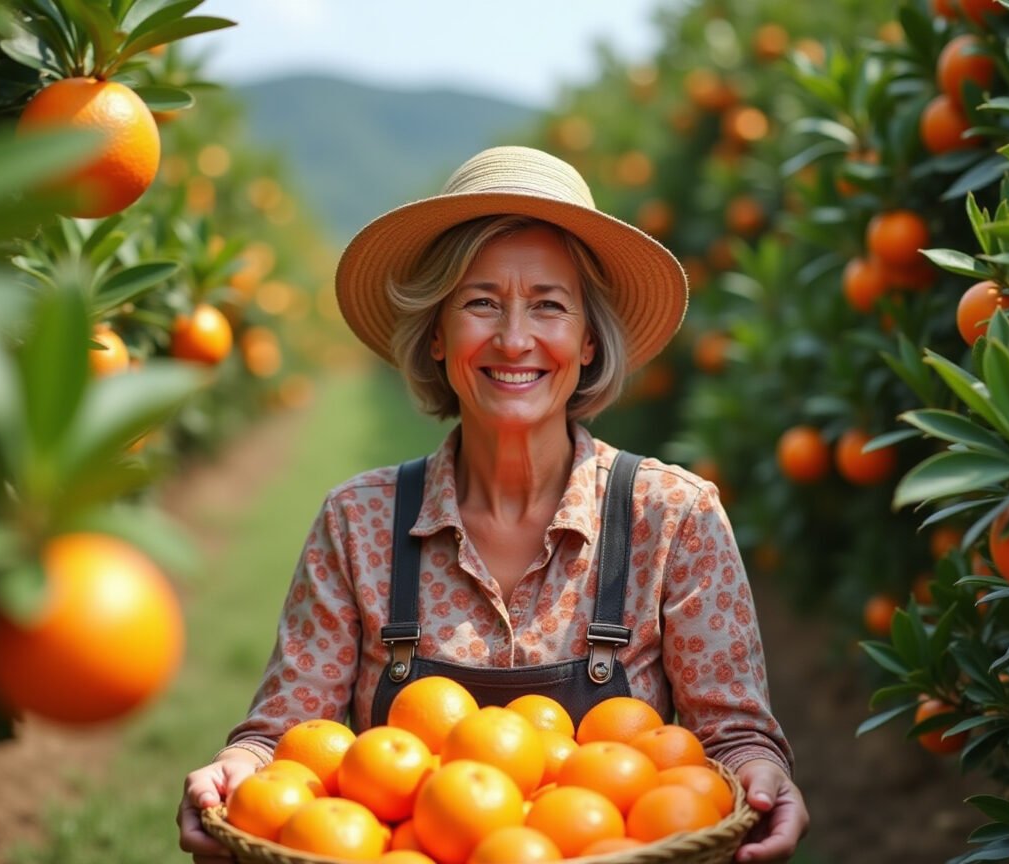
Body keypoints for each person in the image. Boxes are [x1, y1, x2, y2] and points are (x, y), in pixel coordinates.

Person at [177, 145, 808, 863]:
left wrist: (762, 773)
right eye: (481, 303)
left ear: (589, 341)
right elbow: (286, 736)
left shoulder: (672, 519)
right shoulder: (359, 523)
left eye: (549, 305)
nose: (513, 339)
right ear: (437, 334)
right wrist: (240, 769)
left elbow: (733, 739)